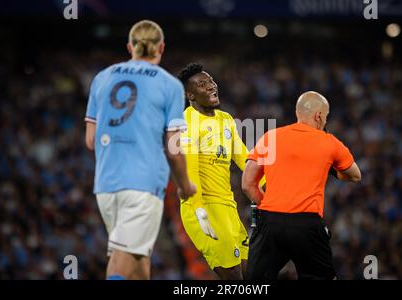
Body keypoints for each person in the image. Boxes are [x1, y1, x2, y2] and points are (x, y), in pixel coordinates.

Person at [84, 20, 196, 280]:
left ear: (129, 47)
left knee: (138, 260)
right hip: (142, 185)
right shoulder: (169, 85)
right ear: (161, 48)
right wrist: (185, 185)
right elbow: (174, 149)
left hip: (106, 184)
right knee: (122, 263)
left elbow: (91, 140)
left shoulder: (102, 78)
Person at [242, 91, 361, 280]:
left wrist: (270, 209)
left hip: (270, 223)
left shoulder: (270, 137)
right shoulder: (330, 143)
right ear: (319, 116)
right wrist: (332, 169)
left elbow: (248, 184)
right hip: (307, 225)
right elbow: (355, 175)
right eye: (326, 117)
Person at [176, 63, 264, 280]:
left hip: (229, 208)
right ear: (191, 95)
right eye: (202, 84)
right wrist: (198, 208)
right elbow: (190, 170)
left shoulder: (225, 119)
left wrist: (270, 184)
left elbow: (245, 158)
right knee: (233, 277)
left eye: (211, 81)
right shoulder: (186, 123)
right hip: (204, 208)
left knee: (250, 272)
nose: (211, 86)